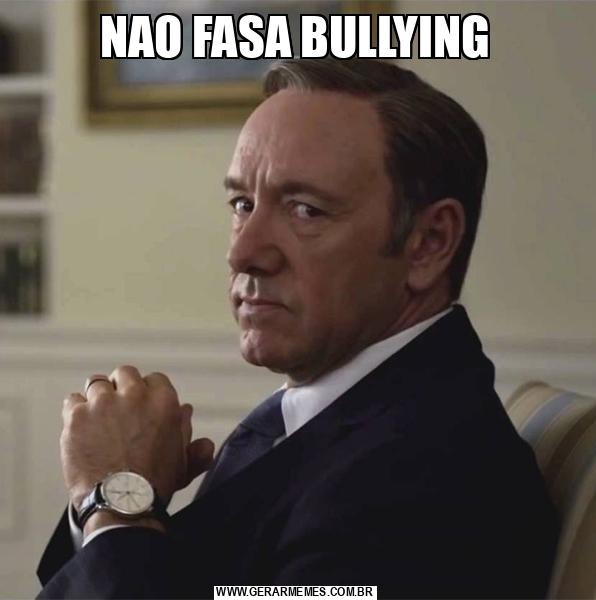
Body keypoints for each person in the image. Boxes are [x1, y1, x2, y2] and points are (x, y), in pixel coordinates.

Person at [37, 58, 558, 599]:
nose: (242, 252)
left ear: (429, 243)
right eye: (242, 203)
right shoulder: (337, 416)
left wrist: (116, 503)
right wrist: (118, 508)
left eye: (306, 210)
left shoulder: (430, 481)